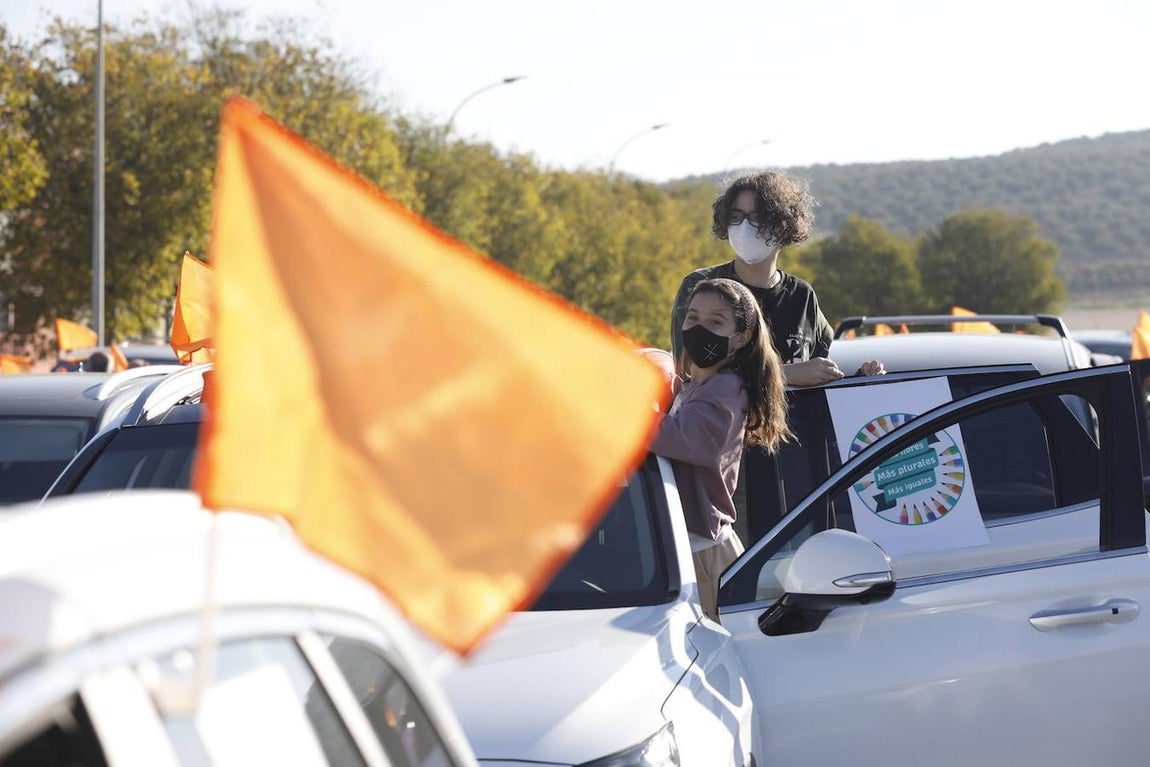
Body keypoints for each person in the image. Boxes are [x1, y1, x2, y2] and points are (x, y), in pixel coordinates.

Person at [651, 278, 791, 619]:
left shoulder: (727, 389)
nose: (699, 329)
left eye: (716, 323)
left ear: (740, 337)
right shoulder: (692, 386)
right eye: (693, 318)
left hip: (704, 558)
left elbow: (685, 439)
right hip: (679, 550)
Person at [671, 171, 883, 385]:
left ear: (784, 226)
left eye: (757, 218)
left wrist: (860, 377)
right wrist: (784, 375)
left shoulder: (802, 295)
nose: (745, 227)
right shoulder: (702, 286)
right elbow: (689, 374)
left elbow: (818, 370)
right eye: (736, 217)